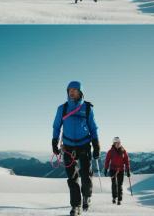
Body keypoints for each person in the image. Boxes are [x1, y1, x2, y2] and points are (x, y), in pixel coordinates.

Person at [52, 81, 100, 215]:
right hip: (68, 148)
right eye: (69, 90)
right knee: (72, 178)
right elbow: (56, 126)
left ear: (81, 92)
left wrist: (96, 144)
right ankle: (76, 206)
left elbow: (93, 127)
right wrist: (54, 141)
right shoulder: (62, 108)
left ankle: (87, 196)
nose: (71, 92)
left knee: (86, 175)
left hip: (84, 146)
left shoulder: (88, 108)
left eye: (75, 89)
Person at [104, 137, 130, 205]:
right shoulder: (110, 151)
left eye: (119, 143)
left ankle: (119, 199)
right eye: (117, 143)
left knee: (119, 185)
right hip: (112, 169)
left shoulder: (123, 151)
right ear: (114, 143)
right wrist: (106, 169)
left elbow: (126, 161)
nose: (118, 144)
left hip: (121, 170)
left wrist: (128, 170)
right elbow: (107, 160)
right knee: (114, 184)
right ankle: (114, 198)